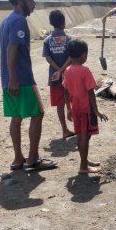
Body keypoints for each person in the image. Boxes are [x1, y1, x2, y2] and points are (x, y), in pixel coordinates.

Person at [0, 0, 58, 171]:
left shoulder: (6, 21)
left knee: (16, 117)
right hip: (21, 79)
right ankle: (33, 158)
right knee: (38, 114)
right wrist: (15, 78)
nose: (34, 4)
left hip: (7, 80)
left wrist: (9, 78)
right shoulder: (19, 21)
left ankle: (18, 159)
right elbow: (12, 49)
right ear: (20, 0)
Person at [62, 39, 108, 174]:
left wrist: (68, 109)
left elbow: (65, 91)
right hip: (86, 109)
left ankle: (85, 160)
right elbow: (91, 92)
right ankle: (83, 166)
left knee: (81, 135)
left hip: (76, 108)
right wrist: (96, 111)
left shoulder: (68, 70)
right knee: (85, 136)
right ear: (83, 55)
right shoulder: (85, 70)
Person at [42, 10, 75, 139]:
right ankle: (77, 125)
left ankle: (64, 129)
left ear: (51, 23)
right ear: (63, 23)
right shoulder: (69, 39)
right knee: (73, 99)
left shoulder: (47, 40)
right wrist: (63, 70)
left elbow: (48, 58)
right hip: (69, 74)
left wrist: (58, 70)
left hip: (54, 76)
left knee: (59, 104)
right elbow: (71, 57)